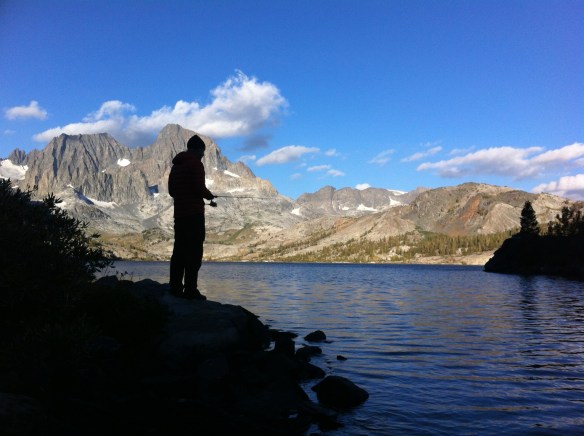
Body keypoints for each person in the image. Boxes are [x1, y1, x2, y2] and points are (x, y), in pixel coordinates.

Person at [168, 134, 215, 300]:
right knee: (194, 253)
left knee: (179, 251)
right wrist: (209, 196)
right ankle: (190, 290)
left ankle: (175, 287)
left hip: (179, 215)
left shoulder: (176, 166)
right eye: (202, 151)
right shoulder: (195, 164)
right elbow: (199, 187)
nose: (202, 155)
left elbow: (171, 191)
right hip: (194, 215)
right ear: (195, 149)